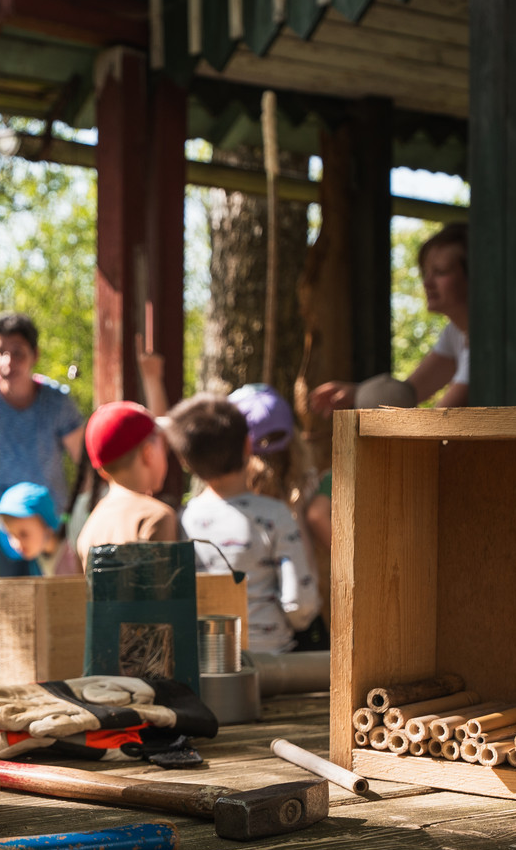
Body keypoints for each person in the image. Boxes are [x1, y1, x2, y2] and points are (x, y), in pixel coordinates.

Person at [165, 393, 321, 655]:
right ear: (248, 446)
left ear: (184, 461)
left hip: (204, 661)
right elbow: (300, 604)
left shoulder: (182, 519)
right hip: (271, 663)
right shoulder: (277, 515)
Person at [308, 223, 471, 415]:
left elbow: (441, 422)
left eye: (441, 272)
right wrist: (359, 392)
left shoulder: (487, 346)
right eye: (426, 272)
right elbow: (408, 393)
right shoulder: (455, 332)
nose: (427, 283)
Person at [0, 312, 84, 509]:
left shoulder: (57, 402)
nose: (8, 361)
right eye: (0, 351)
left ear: (35, 355)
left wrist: (76, 513)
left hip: (48, 526)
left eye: (17, 352)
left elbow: (85, 462)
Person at [74, 400, 181, 557]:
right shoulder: (156, 517)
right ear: (148, 453)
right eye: (162, 443)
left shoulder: (90, 527)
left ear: (103, 471)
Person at [0, 482, 77, 577]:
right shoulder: (35, 561)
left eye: (23, 534)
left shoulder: (73, 556)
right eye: (10, 534)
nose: (16, 544)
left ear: (47, 524)